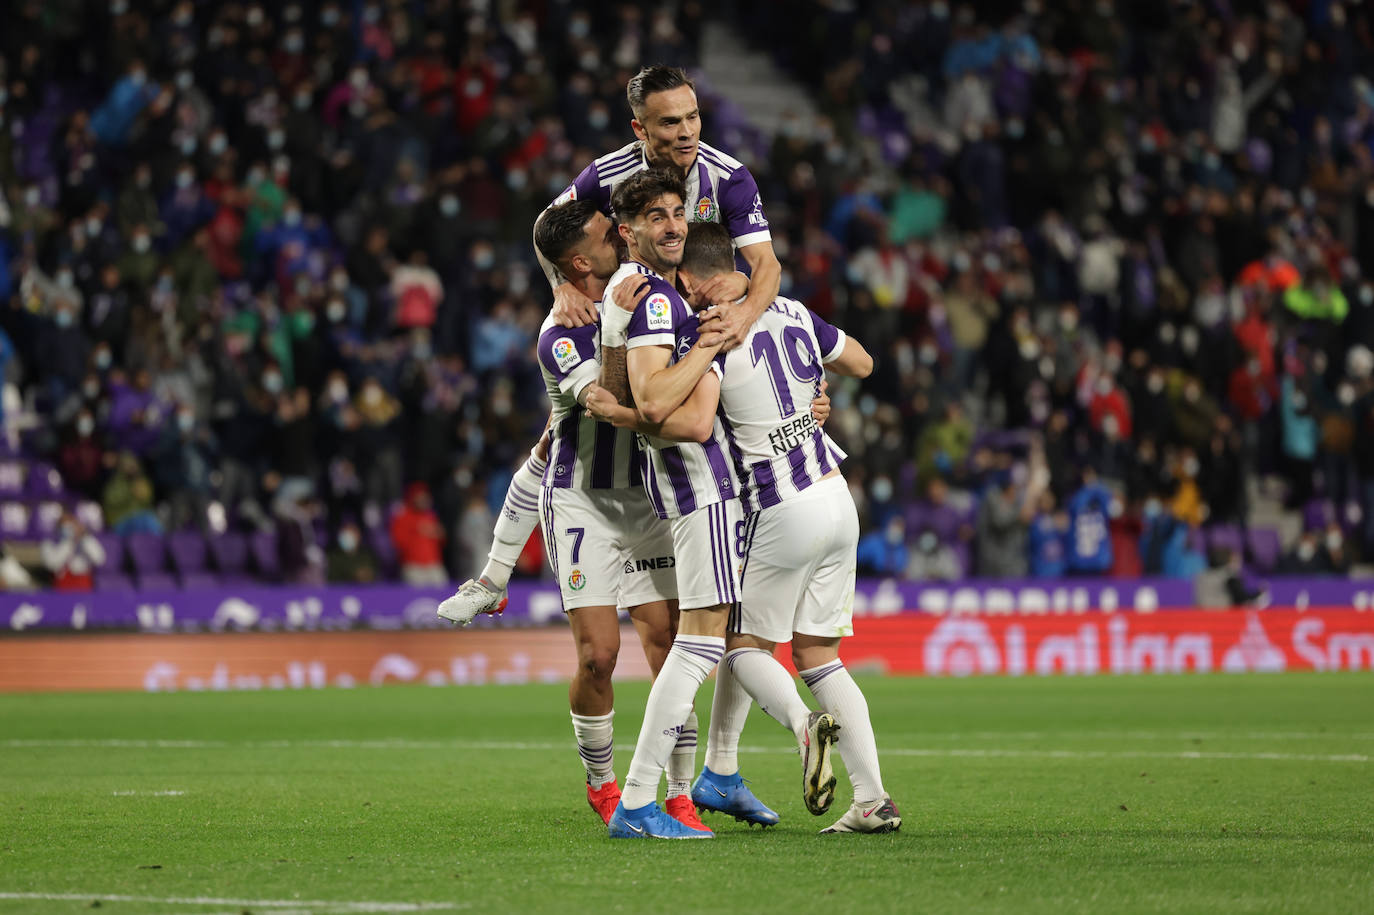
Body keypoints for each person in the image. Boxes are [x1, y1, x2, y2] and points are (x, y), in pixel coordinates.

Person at [596, 219, 900, 834]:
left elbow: (689, 416)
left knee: (738, 648)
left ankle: (802, 727)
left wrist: (622, 405)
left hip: (781, 505)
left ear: (692, 278)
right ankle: (871, 801)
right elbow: (863, 362)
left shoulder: (711, 330)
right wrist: (811, 391)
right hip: (837, 496)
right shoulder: (790, 309)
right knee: (819, 654)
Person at [539, 65, 782, 351]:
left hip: (706, 324)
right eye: (670, 123)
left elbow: (767, 264)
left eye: (692, 116)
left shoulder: (729, 178)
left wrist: (744, 314)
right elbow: (544, 225)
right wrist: (561, 287)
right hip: (636, 326)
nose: (687, 132)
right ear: (640, 129)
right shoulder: (607, 176)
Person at [390, 482, 447, 586]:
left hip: (433, 565)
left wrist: (438, 533)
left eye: (425, 497)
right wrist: (417, 530)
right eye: (420, 497)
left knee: (443, 587)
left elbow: (442, 540)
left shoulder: (431, 516)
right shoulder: (403, 517)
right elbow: (398, 542)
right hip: (413, 566)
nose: (423, 500)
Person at [41, 512, 107, 591]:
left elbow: (99, 560)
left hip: (83, 586)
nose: (69, 529)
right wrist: (68, 542)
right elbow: (51, 565)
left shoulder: (86, 540)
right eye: (64, 526)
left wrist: (84, 537)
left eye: (71, 525)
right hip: (61, 588)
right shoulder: (49, 543)